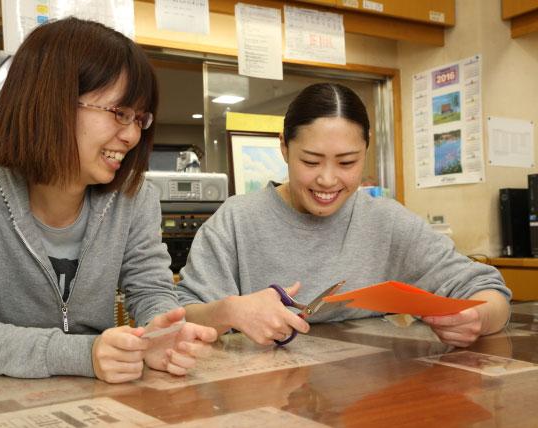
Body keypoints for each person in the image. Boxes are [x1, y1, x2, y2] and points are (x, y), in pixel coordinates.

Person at [0, 17, 216, 384]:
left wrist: (161, 330)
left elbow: (152, 289)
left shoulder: (134, 198)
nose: (131, 136)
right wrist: (83, 353)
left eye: (139, 119)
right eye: (119, 113)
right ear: (51, 103)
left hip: (99, 398)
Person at [176, 83, 510, 348]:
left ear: (366, 150)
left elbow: (489, 291)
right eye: (310, 161)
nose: (327, 179)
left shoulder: (386, 222)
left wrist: (477, 317)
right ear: (283, 148)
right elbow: (178, 317)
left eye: (347, 162)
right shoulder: (237, 220)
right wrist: (226, 311)